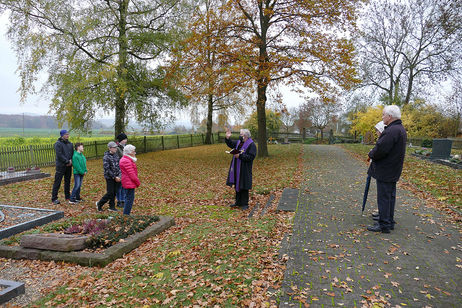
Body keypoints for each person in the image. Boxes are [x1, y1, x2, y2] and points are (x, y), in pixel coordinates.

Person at [367, 105, 407, 233]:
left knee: (384, 197)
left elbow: (381, 149)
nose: (382, 117)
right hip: (393, 169)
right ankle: (388, 221)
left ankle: (384, 224)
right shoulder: (399, 129)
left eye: (383, 114)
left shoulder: (391, 131)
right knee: (389, 196)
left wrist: (371, 154)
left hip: (386, 169)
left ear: (390, 116)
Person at [225, 128, 257, 210]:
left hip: (245, 168)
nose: (240, 136)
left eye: (241, 135)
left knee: (244, 185)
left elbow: (251, 157)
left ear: (246, 136)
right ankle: (238, 202)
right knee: (237, 184)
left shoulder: (251, 145)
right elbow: (231, 144)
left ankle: (245, 204)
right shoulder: (239, 143)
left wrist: (240, 156)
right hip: (237, 166)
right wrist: (228, 138)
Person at [96, 142, 121, 212]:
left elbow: (119, 167)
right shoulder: (106, 157)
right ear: (110, 148)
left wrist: (119, 176)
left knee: (114, 192)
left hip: (117, 177)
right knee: (110, 192)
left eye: (116, 147)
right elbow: (107, 169)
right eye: (114, 147)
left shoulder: (116, 156)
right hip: (109, 178)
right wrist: (114, 177)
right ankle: (99, 203)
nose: (116, 149)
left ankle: (111, 206)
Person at [51, 129, 73, 204]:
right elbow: (59, 155)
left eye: (68, 134)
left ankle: (67, 196)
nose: (67, 135)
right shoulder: (58, 144)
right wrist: (66, 161)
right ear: (62, 135)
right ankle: (54, 198)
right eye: (66, 134)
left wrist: (71, 161)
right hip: (61, 166)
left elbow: (71, 153)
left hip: (69, 166)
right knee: (57, 182)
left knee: (67, 181)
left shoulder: (70, 144)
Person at [119, 144, 141, 215]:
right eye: (133, 151)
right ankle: (126, 215)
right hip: (129, 183)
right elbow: (132, 174)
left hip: (128, 182)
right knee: (129, 200)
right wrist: (137, 182)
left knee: (128, 199)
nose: (135, 153)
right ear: (129, 153)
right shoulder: (126, 161)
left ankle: (126, 214)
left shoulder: (127, 159)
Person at [115, 132, 128, 208]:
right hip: (118, 169)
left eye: (126, 139)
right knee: (119, 186)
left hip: (124, 168)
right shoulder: (117, 148)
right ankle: (119, 200)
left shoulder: (125, 147)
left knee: (123, 185)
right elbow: (118, 158)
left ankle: (123, 200)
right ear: (121, 140)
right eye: (124, 139)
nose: (126, 140)